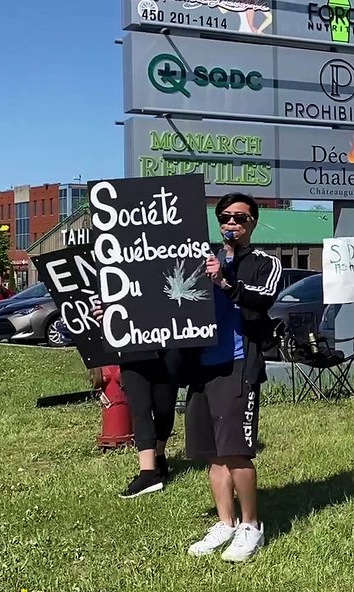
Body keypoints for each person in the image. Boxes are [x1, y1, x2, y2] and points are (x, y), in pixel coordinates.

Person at [185, 192, 282, 563]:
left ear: (253, 223)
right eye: (225, 217)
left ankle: (250, 525)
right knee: (212, 453)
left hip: (238, 363)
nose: (232, 224)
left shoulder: (264, 262)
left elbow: (263, 298)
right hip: (203, 363)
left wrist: (226, 282)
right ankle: (225, 522)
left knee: (237, 451)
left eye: (241, 218)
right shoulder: (201, 257)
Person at [116, 349, 182, 499]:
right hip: (131, 346)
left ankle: (159, 455)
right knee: (140, 408)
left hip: (167, 345)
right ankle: (148, 472)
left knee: (164, 407)